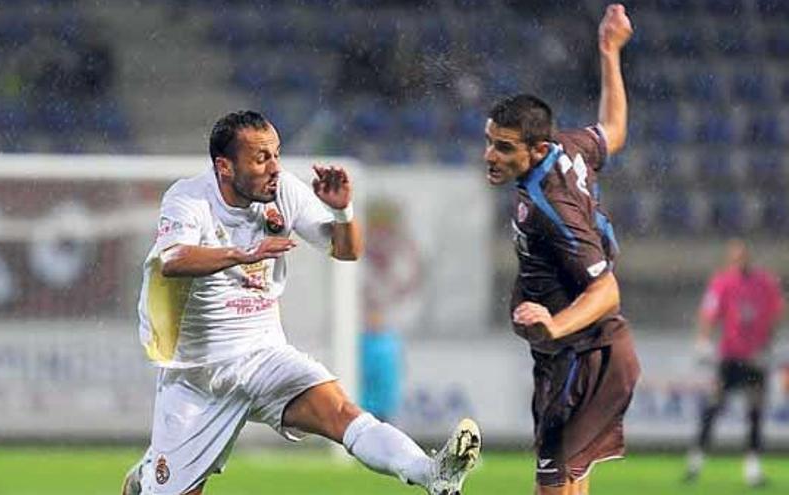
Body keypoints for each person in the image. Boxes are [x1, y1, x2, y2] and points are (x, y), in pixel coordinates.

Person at [122, 110, 480, 495]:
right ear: (224, 166)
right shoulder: (189, 197)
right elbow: (173, 260)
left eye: (276, 154)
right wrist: (243, 253)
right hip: (197, 375)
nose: (274, 167)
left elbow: (346, 250)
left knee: (342, 412)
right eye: (261, 158)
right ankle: (148, 476)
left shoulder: (284, 190)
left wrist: (343, 211)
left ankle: (432, 472)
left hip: (264, 355)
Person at [482, 5, 638, 494]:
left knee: (552, 484)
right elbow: (613, 131)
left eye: (505, 148)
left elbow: (606, 289)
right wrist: (609, 52)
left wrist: (555, 324)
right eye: (489, 142)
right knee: (570, 480)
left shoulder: (555, 206)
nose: (491, 156)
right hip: (573, 353)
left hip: (583, 351)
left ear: (535, 149)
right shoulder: (566, 147)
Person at [685, 239, 784, 487]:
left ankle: (753, 470)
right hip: (730, 356)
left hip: (755, 358)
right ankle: (695, 463)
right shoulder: (722, 283)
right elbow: (709, 313)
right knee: (714, 407)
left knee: (755, 411)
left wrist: (768, 344)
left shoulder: (766, 283)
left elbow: (777, 313)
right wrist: (703, 340)